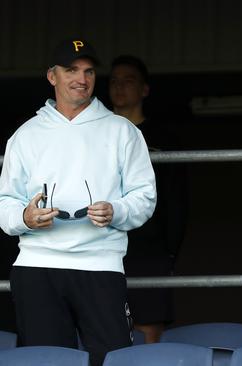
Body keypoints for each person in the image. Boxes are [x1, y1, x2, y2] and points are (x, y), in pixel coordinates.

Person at [0, 39, 156, 366]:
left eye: (88, 71)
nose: (81, 79)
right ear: (52, 77)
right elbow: (4, 205)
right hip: (37, 265)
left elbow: (145, 196)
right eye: (70, 70)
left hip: (100, 265)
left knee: (112, 360)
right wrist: (26, 218)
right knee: (45, 362)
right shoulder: (26, 135)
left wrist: (116, 210)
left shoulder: (122, 131)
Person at [109, 55, 188, 344]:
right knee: (105, 328)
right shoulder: (96, 133)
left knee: (147, 330)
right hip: (102, 244)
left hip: (149, 247)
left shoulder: (164, 139)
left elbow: (177, 199)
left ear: (144, 90)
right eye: (114, 81)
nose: (119, 87)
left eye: (128, 81)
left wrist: (168, 250)